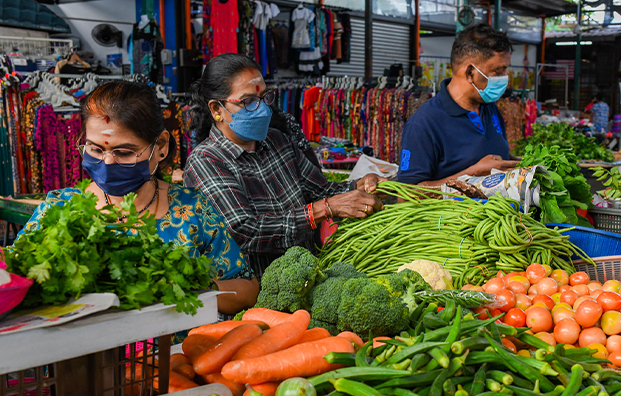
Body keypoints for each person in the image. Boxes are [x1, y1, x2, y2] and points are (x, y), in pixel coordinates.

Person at [18, 81, 259, 315]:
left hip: (177, 353)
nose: (108, 161)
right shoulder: (59, 211)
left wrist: (198, 289)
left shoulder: (191, 208)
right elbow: (13, 280)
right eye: (95, 149)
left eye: (124, 152)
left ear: (161, 145)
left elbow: (247, 289)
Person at [184, 53, 385, 278]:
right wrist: (322, 210)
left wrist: (360, 186)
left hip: (309, 277)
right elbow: (244, 231)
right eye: (248, 102)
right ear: (216, 109)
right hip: (254, 295)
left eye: (263, 97)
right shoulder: (206, 161)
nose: (261, 108)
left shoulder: (277, 141)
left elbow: (323, 191)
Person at [398, 24, 518, 186]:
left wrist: (519, 163)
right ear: (470, 73)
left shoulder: (490, 108)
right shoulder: (423, 124)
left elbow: (493, 156)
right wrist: (471, 174)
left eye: (506, 70)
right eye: (498, 71)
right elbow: (407, 195)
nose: (505, 77)